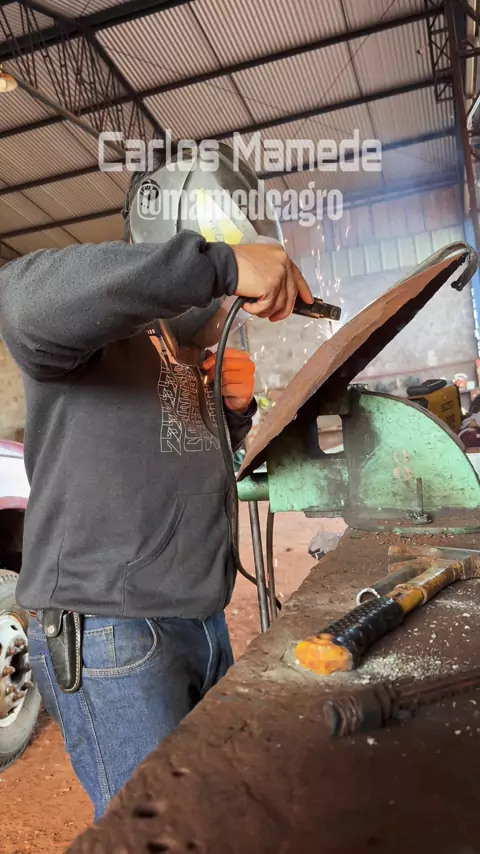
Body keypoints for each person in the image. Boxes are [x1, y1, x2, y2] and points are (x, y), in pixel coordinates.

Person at [0, 152, 313, 820]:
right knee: (159, 830)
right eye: (222, 278)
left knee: (208, 814)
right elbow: (19, 300)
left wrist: (230, 415)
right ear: (179, 244)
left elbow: (182, 464)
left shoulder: (189, 357)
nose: (230, 303)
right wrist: (225, 264)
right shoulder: (93, 331)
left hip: (198, 620)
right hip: (114, 633)